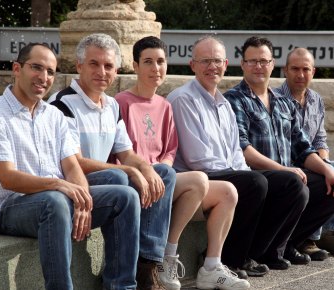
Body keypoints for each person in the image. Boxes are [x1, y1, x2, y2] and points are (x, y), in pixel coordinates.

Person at [0, 43, 141, 290]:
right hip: (9, 206)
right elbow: (8, 178)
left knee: (126, 196)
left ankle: (121, 286)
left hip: (55, 199)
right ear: (17, 69)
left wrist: (82, 201)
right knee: (54, 201)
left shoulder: (53, 115)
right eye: (36, 68)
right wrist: (60, 186)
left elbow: (71, 166)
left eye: (50, 71)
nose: (44, 77)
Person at [167, 35, 310, 277]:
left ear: (225, 64)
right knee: (255, 183)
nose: (212, 66)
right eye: (205, 61)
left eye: (217, 61)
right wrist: (244, 175)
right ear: (193, 65)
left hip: (226, 172)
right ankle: (229, 259)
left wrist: (244, 171)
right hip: (199, 177)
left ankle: (252, 253)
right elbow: (197, 159)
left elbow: (236, 151)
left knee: (293, 186)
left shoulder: (223, 103)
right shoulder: (183, 99)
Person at [115, 36, 250, 290]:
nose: (156, 68)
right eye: (148, 62)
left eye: (161, 61)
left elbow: (170, 150)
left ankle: (211, 266)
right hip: (135, 179)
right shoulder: (122, 102)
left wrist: (161, 171)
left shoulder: (164, 105)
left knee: (228, 192)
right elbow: (119, 152)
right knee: (198, 178)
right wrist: (148, 173)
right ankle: (166, 257)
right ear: (135, 66)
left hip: (162, 179)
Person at [48, 33, 176, 290]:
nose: (102, 72)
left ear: (116, 71)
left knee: (163, 173)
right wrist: (130, 169)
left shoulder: (112, 106)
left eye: (108, 66)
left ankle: (147, 263)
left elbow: (127, 152)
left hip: (102, 184)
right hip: (72, 184)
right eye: (94, 64)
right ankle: (119, 283)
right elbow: (73, 163)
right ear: (79, 66)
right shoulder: (63, 104)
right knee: (119, 178)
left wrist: (145, 168)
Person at [224, 36, 334, 267]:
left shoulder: (283, 103)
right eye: (252, 61)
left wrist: (327, 170)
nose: (258, 66)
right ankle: (263, 251)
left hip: (285, 178)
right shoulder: (234, 100)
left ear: (272, 65)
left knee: (329, 185)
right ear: (242, 64)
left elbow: (304, 148)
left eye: (263, 61)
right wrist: (284, 169)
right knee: (296, 186)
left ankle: (286, 245)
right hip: (256, 177)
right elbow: (242, 148)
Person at [275, 47, 334, 259]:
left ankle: (316, 235)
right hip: (288, 163)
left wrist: (324, 163)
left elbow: (320, 140)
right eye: (295, 69)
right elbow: (287, 146)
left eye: (305, 69)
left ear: (313, 71)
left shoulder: (315, 99)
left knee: (332, 170)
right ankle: (309, 239)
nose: (300, 74)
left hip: (312, 161)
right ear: (285, 70)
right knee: (325, 174)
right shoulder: (276, 100)